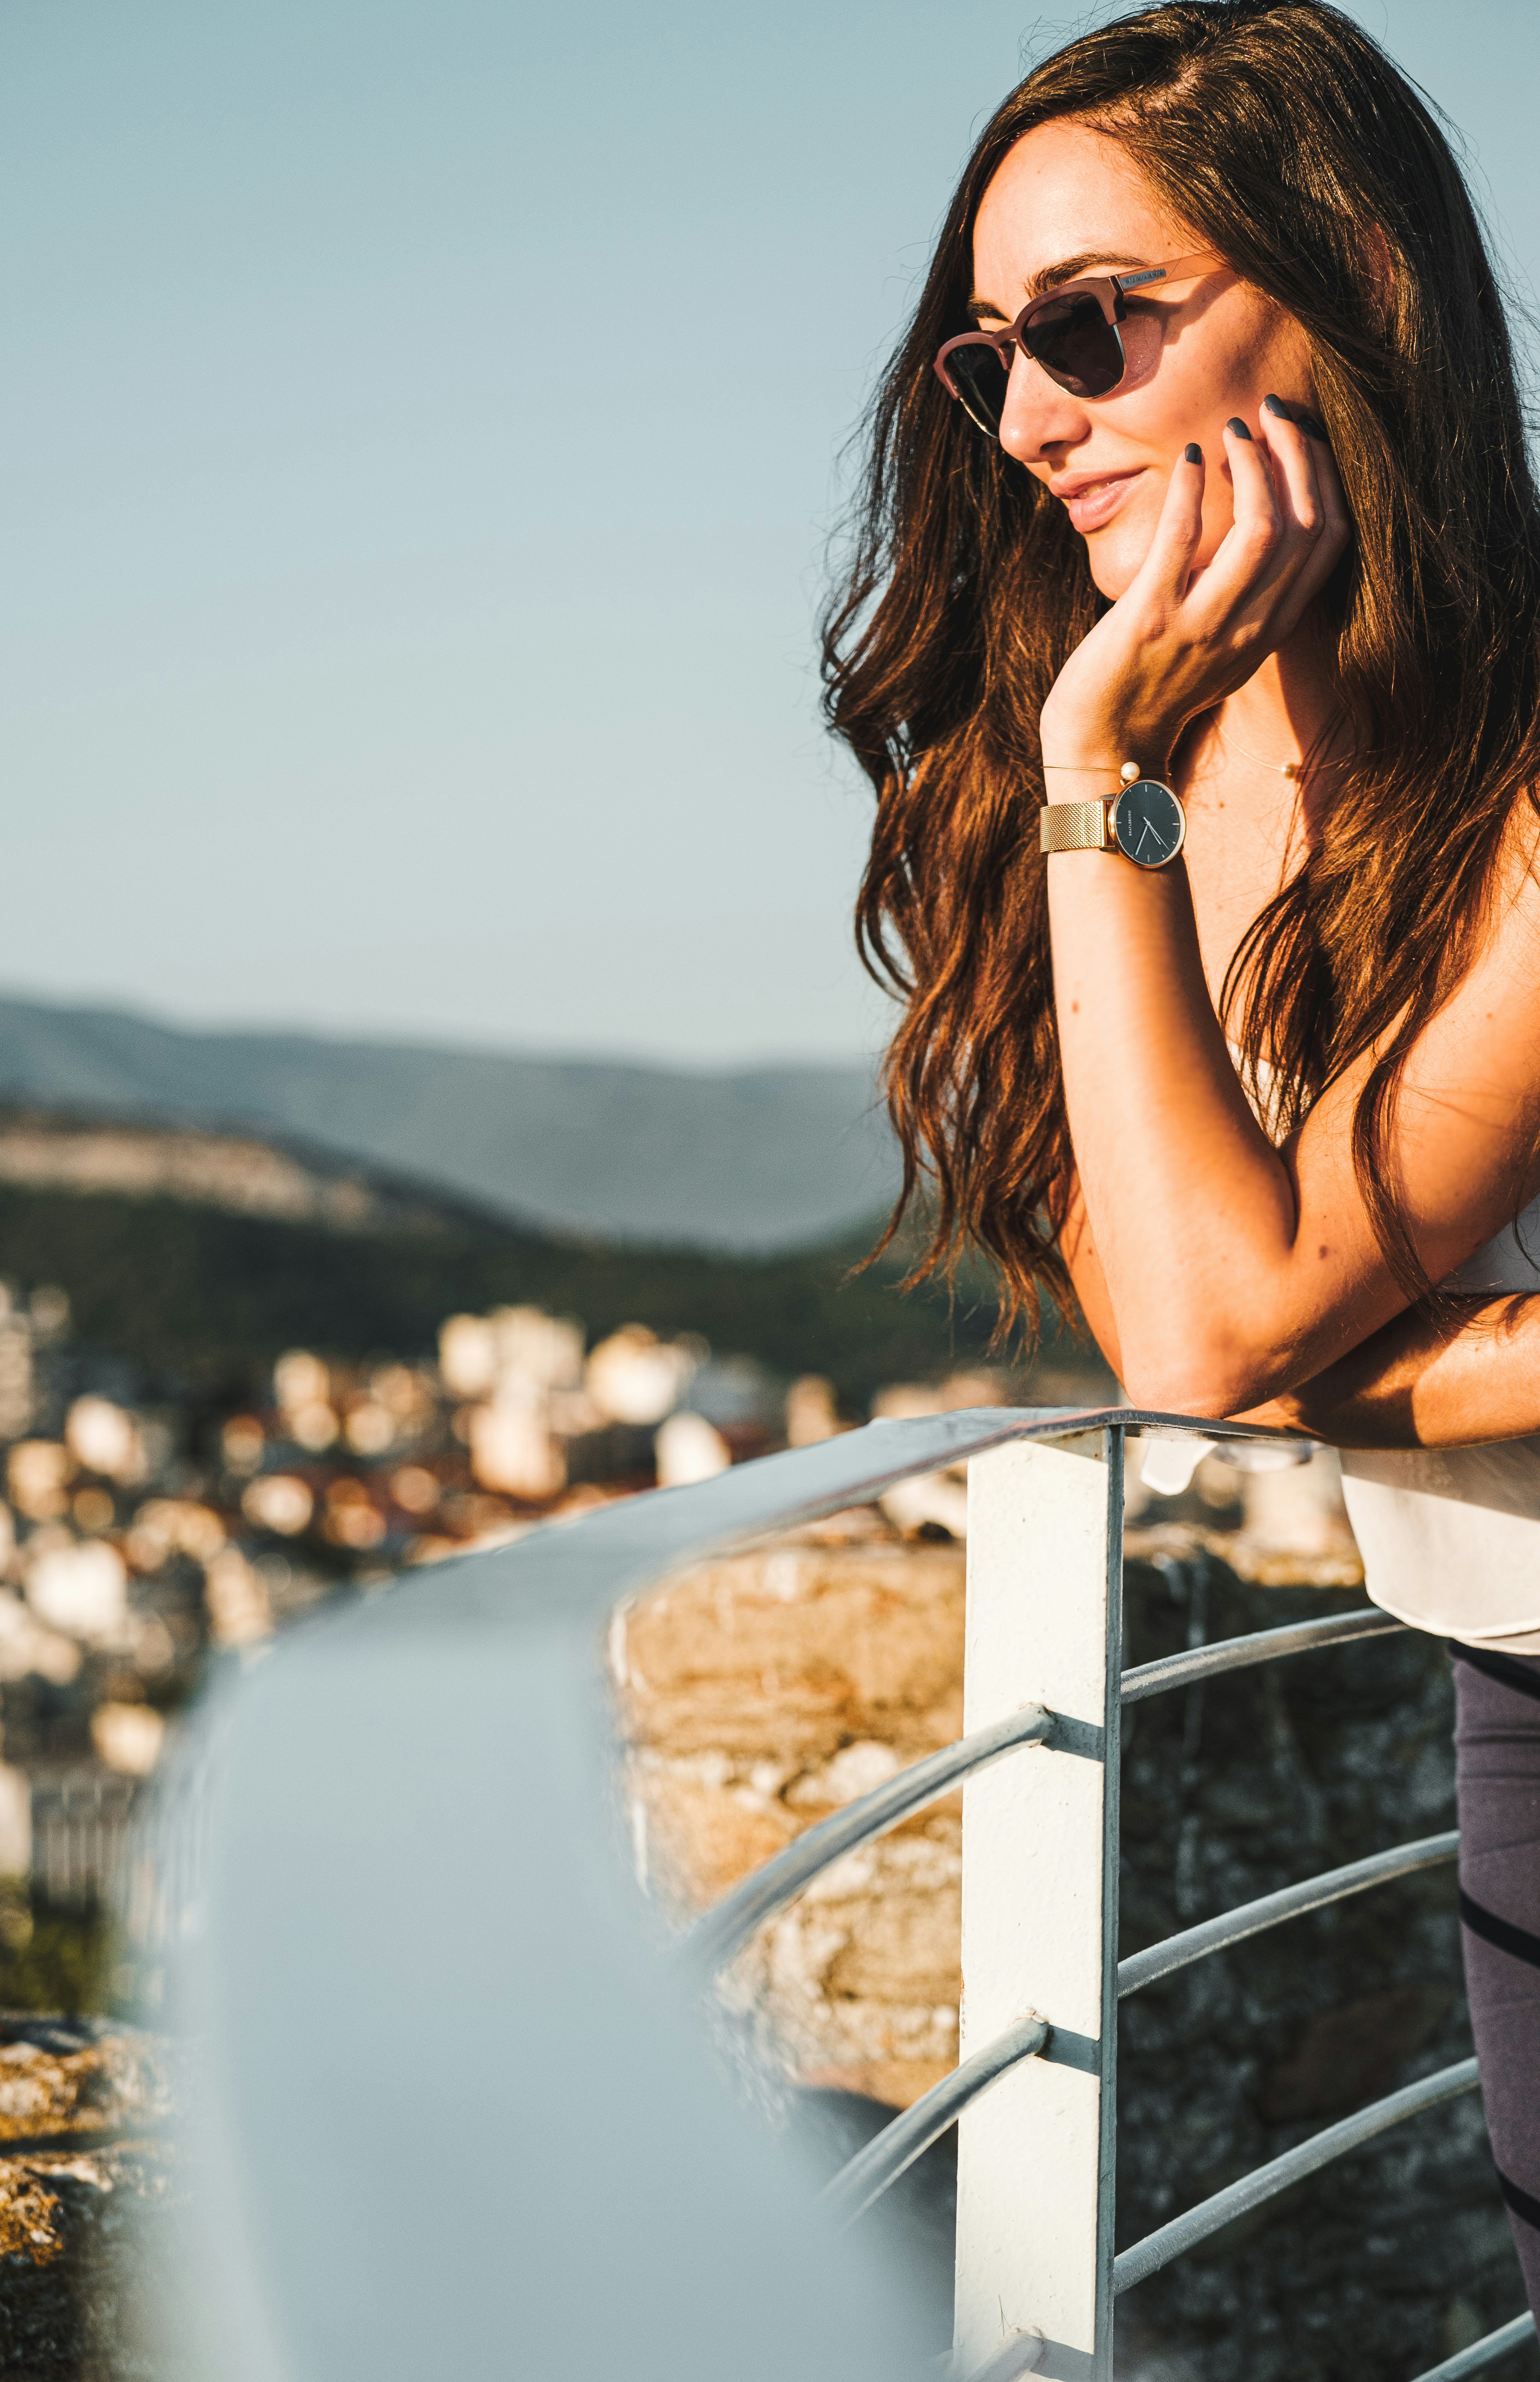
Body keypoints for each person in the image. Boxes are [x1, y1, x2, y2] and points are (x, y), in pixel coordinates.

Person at [822, 0, 1540, 2324]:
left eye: (1092, 329)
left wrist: (1093, 772)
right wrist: (1095, 765)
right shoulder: (1123, 760)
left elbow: (1232, 1329)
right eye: (988, 360)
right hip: (1508, 1675)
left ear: (1357, 275)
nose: (1031, 418)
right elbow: (1187, 1326)